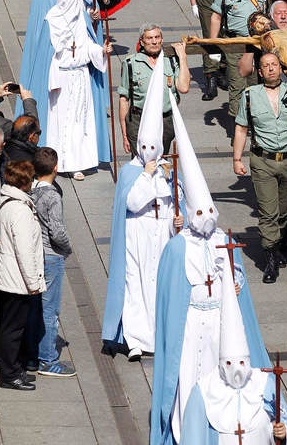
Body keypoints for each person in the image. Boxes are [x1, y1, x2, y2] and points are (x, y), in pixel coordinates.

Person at [150, 96, 267, 445]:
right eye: (199, 213)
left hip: (219, 321)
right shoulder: (177, 248)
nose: (206, 219)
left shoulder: (224, 241)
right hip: (190, 325)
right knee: (189, 377)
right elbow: (169, 294)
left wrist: (235, 282)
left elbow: (237, 280)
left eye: (210, 211)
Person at [103, 51, 185, 361]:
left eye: (155, 148)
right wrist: (148, 179)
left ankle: (159, 337)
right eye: (145, 147)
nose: (150, 152)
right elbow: (133, 202)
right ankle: (135, 339)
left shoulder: (168, 169)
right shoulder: (131, 172)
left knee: (159, 286)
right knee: (136, 286)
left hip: (161, 234)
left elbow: (179, 203)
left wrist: (179, 219)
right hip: (137, 235)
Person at [179, 256, 287, 445]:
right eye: (229, 363)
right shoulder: (204, 390)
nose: (237, 370)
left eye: (242, 362)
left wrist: (282, 434)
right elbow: (193, 437)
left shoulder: (264, 383)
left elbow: (280, 425)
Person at [40, 0, 112, 179]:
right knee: (64, 121)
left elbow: (86, 45)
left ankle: (82, 160)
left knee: (81, 120)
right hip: (64, 79)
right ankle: (64, 162)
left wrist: (99, 50)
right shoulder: (55, 19)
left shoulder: (79, 17)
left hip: (80, 76)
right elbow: (57, 51)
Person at [234, 52, 287, 283]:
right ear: (259, 72)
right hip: (263, 160)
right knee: (268, 212)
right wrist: (237, 159)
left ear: (280, 68)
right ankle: (270, 257)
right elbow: (241, 128)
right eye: (266, 66)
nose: (271, 69)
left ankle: (279, 243)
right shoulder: (250, 96)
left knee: (285, 209)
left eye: (274, 65)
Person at [210, 0, 287, 120]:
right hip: (236, 44)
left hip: (260, 44)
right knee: (237, 85)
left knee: (257, 86)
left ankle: (255, 125)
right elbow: (216, 17)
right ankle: (236, 128)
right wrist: (213, 44)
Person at [0, 160, 45, 391]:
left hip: (6, 276)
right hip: (16, 279)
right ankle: (10, 374)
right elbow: (24, 251)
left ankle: (13, 370)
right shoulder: (20, 211)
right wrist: (33, 283)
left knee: (8, 325)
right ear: (25, 182)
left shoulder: (3, 200)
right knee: (13, 329)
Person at [28, 147, 76, 377]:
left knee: (35, 307)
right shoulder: (52, 196)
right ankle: (47, 358)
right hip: (51, 256)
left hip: (34, 254)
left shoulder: (30, 191)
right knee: (50, 309)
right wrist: (67, 248)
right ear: (55, 168)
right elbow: (57, 231)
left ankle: (33, 352)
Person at [119, 24, 190, 158]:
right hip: (138, 121)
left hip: (165, 121)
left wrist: (182, 58)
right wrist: (124, 135)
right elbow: (124, 100)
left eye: (157, 37)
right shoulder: (131, 63)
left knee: (160, 161)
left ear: (162, 40)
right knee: (141, 163)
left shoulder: (170, 60)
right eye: (150, 38)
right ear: (142, 41)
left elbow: (184, 87)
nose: (154, 41)